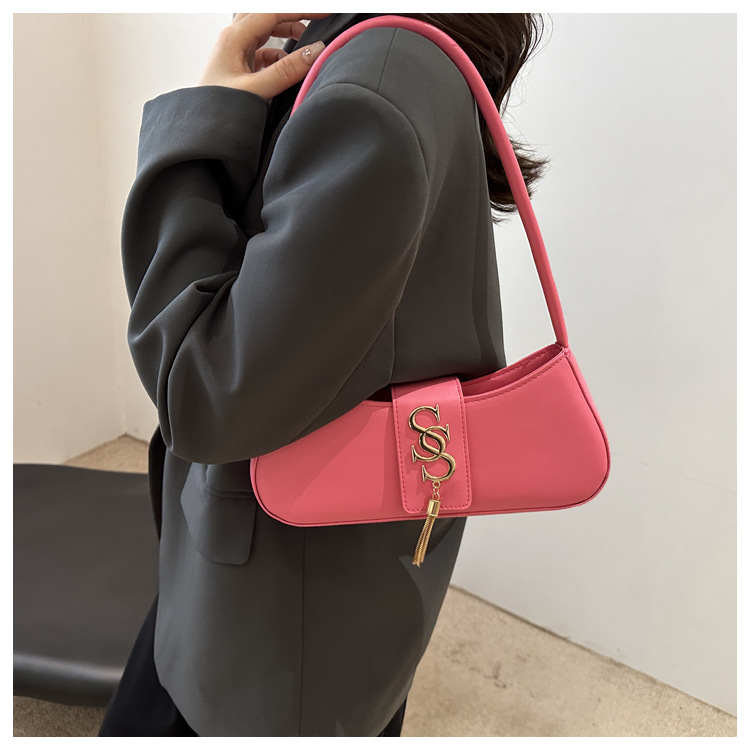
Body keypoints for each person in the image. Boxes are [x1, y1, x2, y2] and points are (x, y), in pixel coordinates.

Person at [98, 12, 547, 737]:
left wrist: (195, 134)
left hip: (272, 619)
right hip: (307, 575)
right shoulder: (398, 53)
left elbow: (201, 393)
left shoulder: (369, 90)